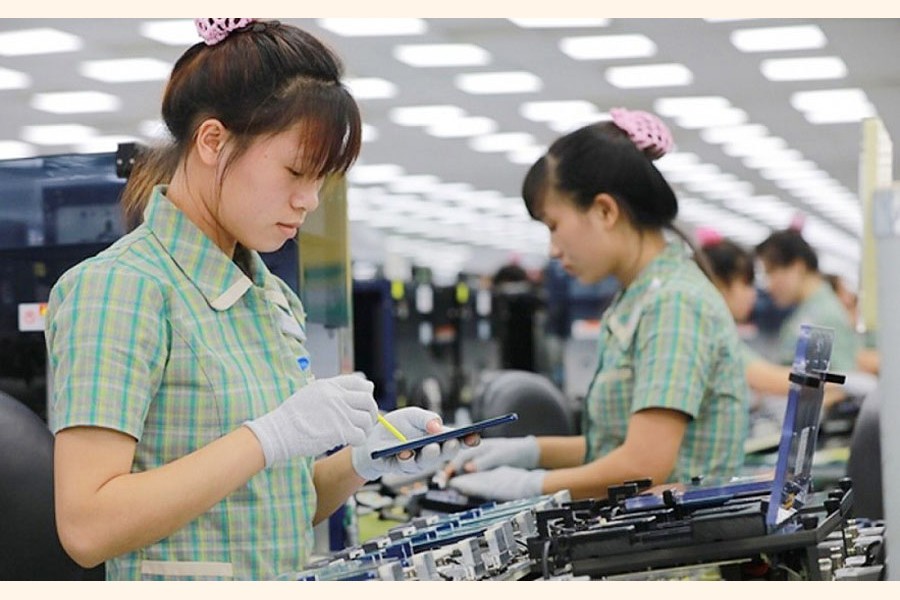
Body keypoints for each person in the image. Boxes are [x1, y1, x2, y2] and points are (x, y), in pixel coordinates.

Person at [45, 19, 468, 581]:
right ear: (213, 142)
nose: (308, 200)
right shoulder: (120, 290)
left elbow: (280, 504)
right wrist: (265, 437)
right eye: (295, 171)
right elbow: (87, 526)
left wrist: (363, 460)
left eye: (321, 180)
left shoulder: (272, 298)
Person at [444, 108, 750, 502]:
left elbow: (643, 466)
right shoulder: (640, 297)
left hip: (677, 553)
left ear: (605, 210)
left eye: (554, 225)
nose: (553, 250)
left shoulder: (672, 303)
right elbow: (614, 448)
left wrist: (530, 486)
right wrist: (530, 451)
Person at [701, 237, 847, 408]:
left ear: (798, 268)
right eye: (746, 284)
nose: (762, 290)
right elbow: (772, 378)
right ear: (720, 285)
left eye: (771, 272)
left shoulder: (823, 314)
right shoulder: (716, 335)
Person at [754, 228, 860, 374]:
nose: (769, 285)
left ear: (798, 267)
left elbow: (837, 388)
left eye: (771, 272)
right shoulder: (808, 311)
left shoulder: (824, 317)